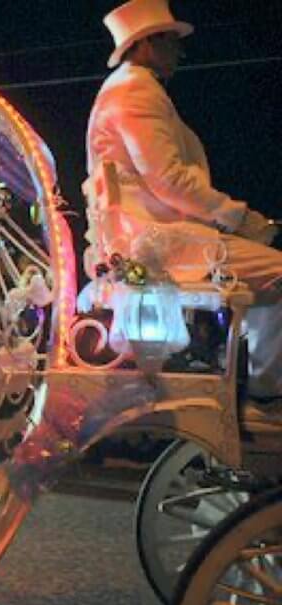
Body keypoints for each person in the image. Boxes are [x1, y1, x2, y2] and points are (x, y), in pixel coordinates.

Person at [86, 0, 282, 402]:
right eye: (172, 41)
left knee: (265, 278)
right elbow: (170, 180)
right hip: (158, 244)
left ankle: (250, 375)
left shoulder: (128, 88)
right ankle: (265, 391)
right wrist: (243, 219)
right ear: (146, 44)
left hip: (151, 239)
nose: (180, 50)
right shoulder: (135, 90)